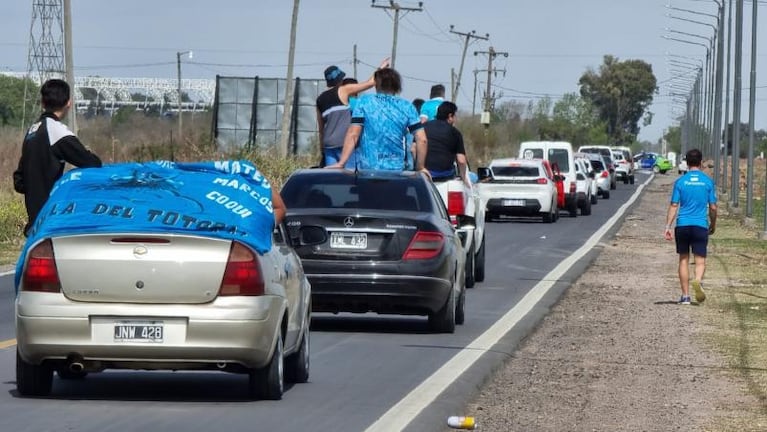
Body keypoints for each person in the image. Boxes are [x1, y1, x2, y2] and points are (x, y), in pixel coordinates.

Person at [13, 78, 102, 236]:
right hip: (50, 219)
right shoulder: (56, 131)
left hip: (35, 222)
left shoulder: (33, 130)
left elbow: (19, 181)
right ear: (68, 103)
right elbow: (92, 163)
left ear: (42, 102)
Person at [327, 68, 428, 173]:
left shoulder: (364, 102)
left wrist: (341, 162)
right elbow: (422, 139)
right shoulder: (407, 106)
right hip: (396, 170)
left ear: (377, 84)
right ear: (397, 85)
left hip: (368, 170)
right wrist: (420, 167)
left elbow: (353, 133)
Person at [663, 148, 717, 305]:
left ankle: (685, 296)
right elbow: (713, 207)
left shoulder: (681, 181)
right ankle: (698, 280)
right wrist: (712, 224)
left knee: (683, 259)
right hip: (700, 225)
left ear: (686, 163)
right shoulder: (708, 182)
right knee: (700, 260)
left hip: (683, 225)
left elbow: (674, 205)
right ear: (701, 163)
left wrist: (667, 226)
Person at [315, 59, 389, 168]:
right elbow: (371, 83)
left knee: (332, 179)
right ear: (340, 80)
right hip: (346, 144)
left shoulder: (319, 99)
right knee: (350, 178)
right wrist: (381, 67)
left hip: (329, 146)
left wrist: (322, 150)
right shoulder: (343, 90)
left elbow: (321, 130)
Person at [423, 101, 468, 184]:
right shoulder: (455, 133)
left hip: (424, 174)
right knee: (474, 177)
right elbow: (461, 160)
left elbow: (413, 149)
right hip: (445, 176)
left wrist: (420, 167)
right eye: (455, 116)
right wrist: (464, 178)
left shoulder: (423, 128)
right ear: (450, 116)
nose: (455, 119)